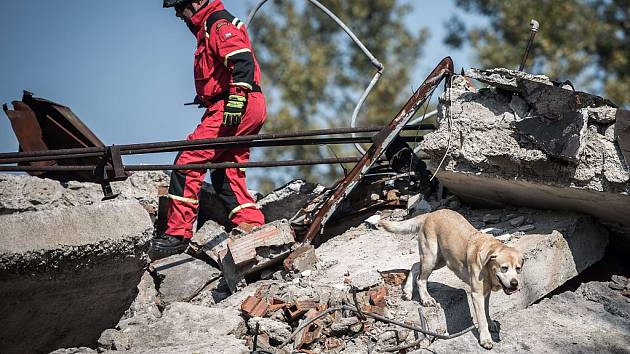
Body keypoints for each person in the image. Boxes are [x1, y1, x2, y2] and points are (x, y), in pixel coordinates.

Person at [153, 0, 266, 256]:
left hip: (236, 104)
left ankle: (177, 234)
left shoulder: (217, 23)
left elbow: (242, 61)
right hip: (243, 104)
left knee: (188, 160)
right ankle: (252, 224)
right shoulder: (208, 26)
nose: (177, 13)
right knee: (225, 170)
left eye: (179, 6)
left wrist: (235, 98)